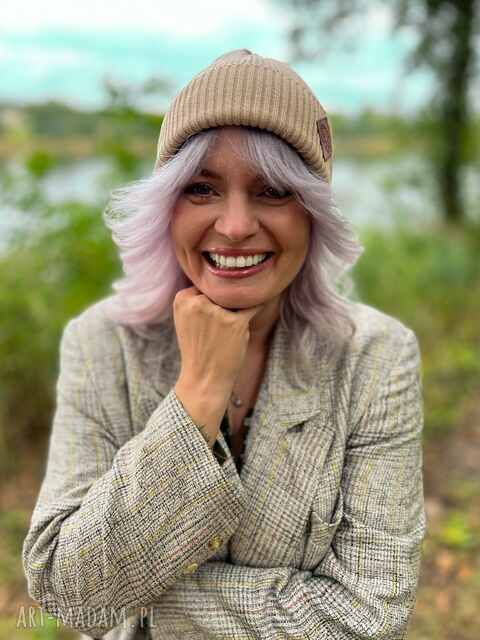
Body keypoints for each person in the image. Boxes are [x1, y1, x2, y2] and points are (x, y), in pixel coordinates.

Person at [22, 49, 427, 640]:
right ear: (165, 208)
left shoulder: (376, 358)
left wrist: (150, 608)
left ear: (313, 214)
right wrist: (197, 395)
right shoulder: (102, 345)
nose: (235, 226)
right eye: (202, 189)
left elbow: (371, 615)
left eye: (273, 191)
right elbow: (68, 592)